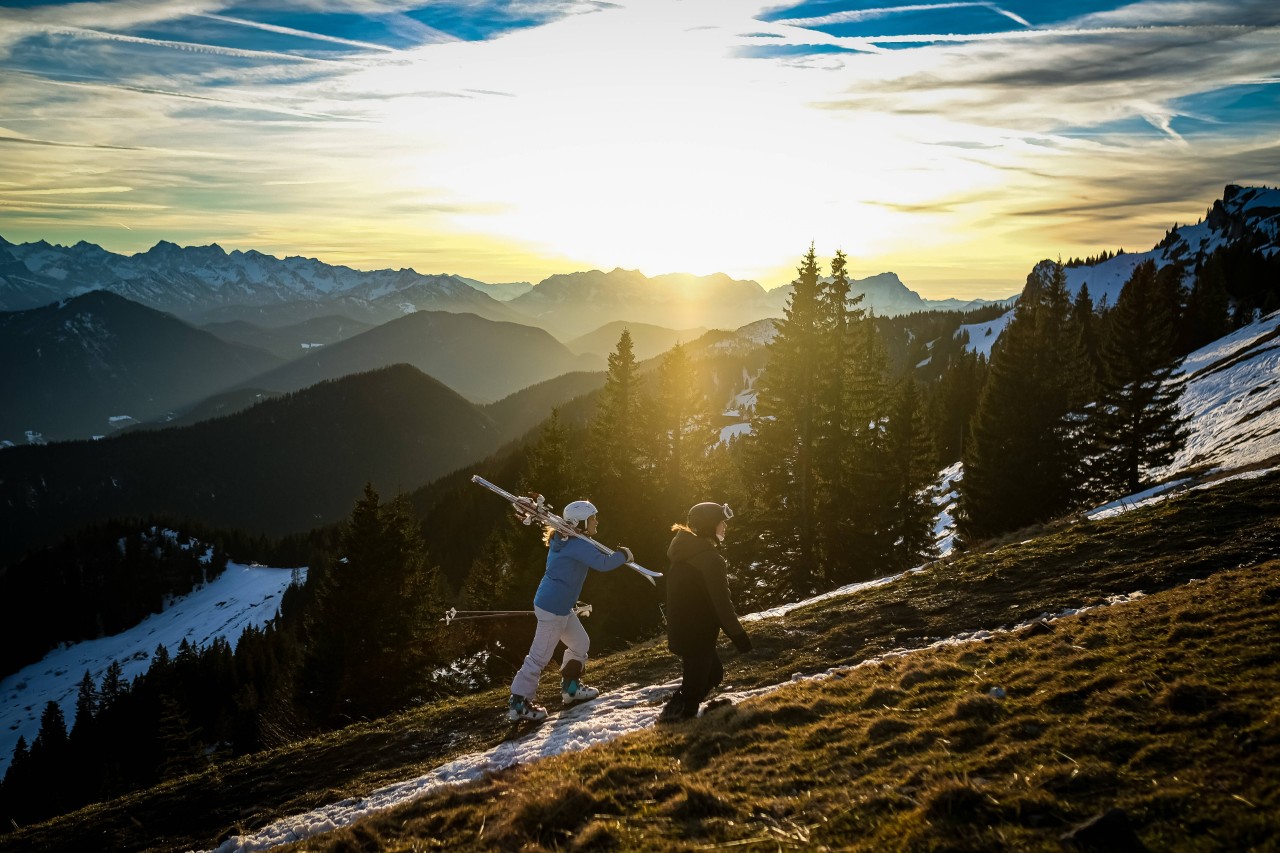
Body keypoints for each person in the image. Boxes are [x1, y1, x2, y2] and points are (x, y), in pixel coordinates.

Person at [507, 499, 634, 722]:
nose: (597, 521)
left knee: (580, 643)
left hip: (557, 604)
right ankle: (518, 704)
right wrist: (623, 556)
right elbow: (603, 564)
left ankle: (571, 688)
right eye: (593, 517)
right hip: (554, 607)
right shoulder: (577, 544)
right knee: (539, 657)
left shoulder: (567, 539)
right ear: (581, 521)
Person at [657, 501, 751, 724]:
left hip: (685, 629)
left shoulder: (686, 550)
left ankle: (677, 711)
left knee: (713, 675)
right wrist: (741, 639)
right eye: (721, 523)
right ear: (709, 527)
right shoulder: (710, 560)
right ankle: (678, 719)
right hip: (698, 634)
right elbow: (722, 604)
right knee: (695, 685)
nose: (725, 528)